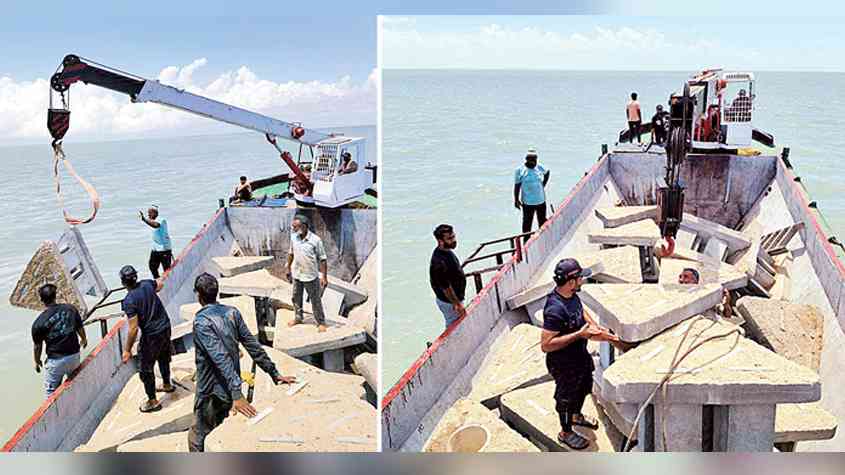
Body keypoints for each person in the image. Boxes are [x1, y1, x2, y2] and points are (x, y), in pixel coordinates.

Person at [188, 273, 296, 452]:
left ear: (198, 295)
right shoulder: (232, 313)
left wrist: (237, 394)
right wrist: (274, 373)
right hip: (229, 389)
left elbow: (220, 357)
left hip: (210, 392)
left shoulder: (201, 322)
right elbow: (253, 345)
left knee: (198, 435)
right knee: (221, 430)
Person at [540, 258, 620, 450]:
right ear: (571, 282)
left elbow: (581, 311)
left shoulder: (572, 295)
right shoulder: (555, 309)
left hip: (579, 356)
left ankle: (576, 415)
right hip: (563, 364)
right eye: (580, 278)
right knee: (566, 399)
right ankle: (565, 432)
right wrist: (579, 334)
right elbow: (546, 345)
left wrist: (593, 325)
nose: (583, 280)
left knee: (584, 386)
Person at [119, 265, 174, 413]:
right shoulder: (147, 284)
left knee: (145, 369)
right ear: (136, 277)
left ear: (123, 283)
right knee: (163, 357)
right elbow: (160, 284)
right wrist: (152, 290)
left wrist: (127, 350)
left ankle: (153, 401)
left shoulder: (129, 301)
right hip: (165, 326)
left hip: (151, 336)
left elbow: (133, 328)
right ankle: (167, 385)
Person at [31, 284, 87, 398]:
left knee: (51, 393)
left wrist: (37, 361)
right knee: (74, 382)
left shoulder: (38, 323)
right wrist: (84, 339)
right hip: (74, 355)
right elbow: (79, 327)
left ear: (41, 300)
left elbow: (38, 346)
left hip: (56, 361)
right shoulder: (70, 309)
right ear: (55, 296)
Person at [286, 215, 329, 333]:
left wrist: (324, 277)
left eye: (296, 227)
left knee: (315, 300)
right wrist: (288, 268)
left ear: (304, 226)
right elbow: (291, 253)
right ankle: (298, 318)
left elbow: (323, 259)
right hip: (297, 274)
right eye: (293, 227)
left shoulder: (315, 240)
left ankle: (321, 322)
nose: (294, 229)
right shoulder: (294, 237)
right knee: (296, 297)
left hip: (310, 276)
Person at [429, 224, 467, 328]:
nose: (454, 240)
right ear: (440, 241)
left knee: (458, 324)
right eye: (450, 239)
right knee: (454, 327)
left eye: (453, 236)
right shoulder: (439, 262)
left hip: (455, 299)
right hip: (449, 302)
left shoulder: (447, 251)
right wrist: (457, 304)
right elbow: (445, 287)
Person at [514, 149, 550, 240]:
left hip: (541, 201)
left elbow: (547, 172)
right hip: (528, 203)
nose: (534, 162)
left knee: (542, 222)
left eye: (535, 160)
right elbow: (517, 186)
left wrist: (543, 184)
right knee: (527, 224)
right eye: (532, 160)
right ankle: (526, 242)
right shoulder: (520, 170)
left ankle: (543, 240)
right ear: (527, 160)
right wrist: (516, 200)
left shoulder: (539, 167)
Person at [139, 205, 173, 279]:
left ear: (155, 213)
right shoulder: (152, 221)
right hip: (155, 250)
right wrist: (145, 219)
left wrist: (144, 219)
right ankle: (157, 280)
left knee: (166, 270)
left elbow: (156, 225)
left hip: (164, 249)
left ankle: (168, 281)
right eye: (148, 213)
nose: (148, 214)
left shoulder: (161, 219)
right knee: (152, 266)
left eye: (149, 213)